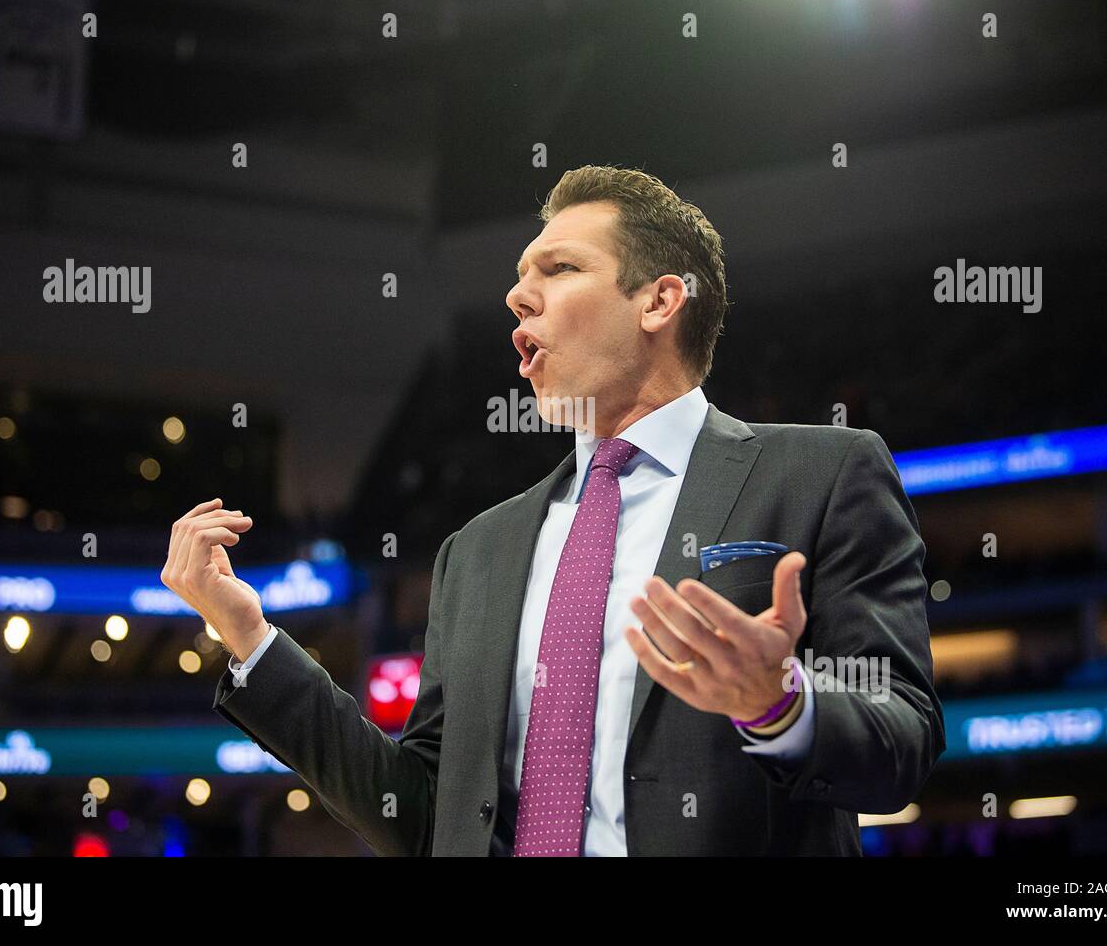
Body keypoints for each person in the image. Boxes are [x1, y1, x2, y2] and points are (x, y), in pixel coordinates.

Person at [161, 165, 945, 856]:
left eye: (558, 266)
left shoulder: (825, 471)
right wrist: (250, 638)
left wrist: (780, 707)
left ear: (660, 299)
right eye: (519, 273)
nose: (515, 294)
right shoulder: (477, 550)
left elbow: (904, 740)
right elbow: (424, 814)